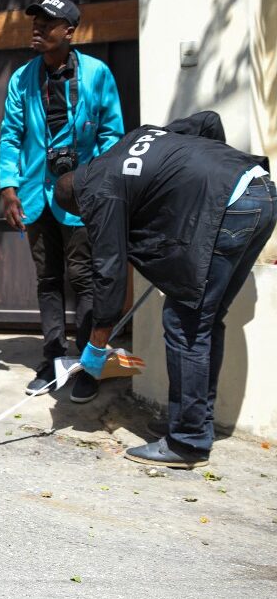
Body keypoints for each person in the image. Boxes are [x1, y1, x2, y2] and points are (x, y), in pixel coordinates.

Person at [54, 111, 274, 468]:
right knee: (205, 319)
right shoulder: (129, 144)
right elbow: (208, 121)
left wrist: (96, 346)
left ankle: (187, 443)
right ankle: (192, 422)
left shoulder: (98, 194)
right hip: (260, 190)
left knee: (184, 323)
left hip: (232, 208)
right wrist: (208, 184)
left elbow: (109, 274)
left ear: (79, 206)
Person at [0, 0, 125, 402]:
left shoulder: (97, 75)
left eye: (47, 23)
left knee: (86, 279)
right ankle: (52, 358)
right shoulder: (22, 78)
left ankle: (89, 365)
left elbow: (111, 135)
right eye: (34, 21)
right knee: (48, 278)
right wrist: (8, 187)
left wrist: (99, 184)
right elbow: (10, 134)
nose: (37, 28)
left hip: (82, 195)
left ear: (69, 31)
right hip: (36, 194)